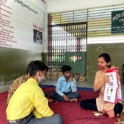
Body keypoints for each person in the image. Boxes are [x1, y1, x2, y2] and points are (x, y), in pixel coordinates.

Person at [80, 53, 123, 118]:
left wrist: (114, 72)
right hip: (102, 99)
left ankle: (107, 109)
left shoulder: (113, 71)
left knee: (118, 107)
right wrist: (103, 80)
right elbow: (95, 89)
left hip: (112, 101)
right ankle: (106, 110)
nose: (99, 64)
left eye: (102, 62)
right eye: (98, 62)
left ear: (108, 63)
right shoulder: (98, 73)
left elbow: (118, 80)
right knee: (83, 103)